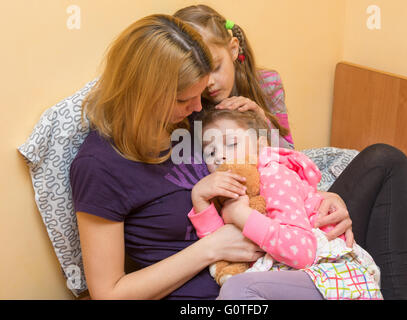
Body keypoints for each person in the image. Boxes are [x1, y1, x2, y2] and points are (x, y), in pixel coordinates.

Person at [175, 4, 407, 299]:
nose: (209, 82)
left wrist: (264, 126)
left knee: (387, 159)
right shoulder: (188, 106)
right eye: (199, 74)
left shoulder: (267, 85)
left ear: (233, 48)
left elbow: (291, 162)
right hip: (257, 226)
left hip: (292, 208)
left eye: (215, 67)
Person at [70, 14, 266, 300]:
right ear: (143, 96)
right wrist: (211, 248)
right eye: (184, 100)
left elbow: (265, 171)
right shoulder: (99, 166)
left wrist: (261, 125)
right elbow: (108, 293)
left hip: (265, 267)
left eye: (199, 94)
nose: (199, 106)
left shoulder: (191, 119)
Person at [187, 108, 383, 300]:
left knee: (236, 292)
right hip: (286, 273)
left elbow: (303, 251)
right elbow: (219, 244)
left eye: (231, 143)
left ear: (260, 145)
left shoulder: (274, 174)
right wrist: (200, 200)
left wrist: (242, 216)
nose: (220, 156)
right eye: (210, 152)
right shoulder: (232, 190)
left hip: (328, 273)